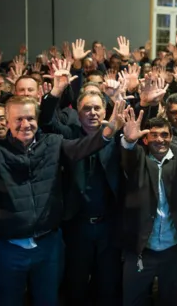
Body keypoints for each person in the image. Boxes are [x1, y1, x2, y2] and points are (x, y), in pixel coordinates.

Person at [0, 95, 124, 306]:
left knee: (48, 300)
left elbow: (81, 147)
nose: (25, 124)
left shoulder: (52, 143)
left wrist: (110, 129)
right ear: (8, 122)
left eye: (30, 118)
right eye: (18, 119)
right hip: (7, 249)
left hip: (47, 246)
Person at [38, 63, 126, 306]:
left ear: (105, 110)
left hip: (109, 224)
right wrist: (56, 91)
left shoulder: (116, 135)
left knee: (107, 285)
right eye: (86, 108)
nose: (93, 113)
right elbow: (45, 121)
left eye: (98, 108)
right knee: (75, 285)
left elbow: (133, 125)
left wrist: (120, 98)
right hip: (76, 225)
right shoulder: (68, 134)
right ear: (77, 111)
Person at [120, 101, 177, 306]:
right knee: (133, 300)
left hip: (173, 250)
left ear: (171, 137)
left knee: (171, 300)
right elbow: (128, 157)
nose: (160, 140)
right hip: (141, 249)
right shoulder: (138, 159)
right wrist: (128, 141)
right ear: (146, 138)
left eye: (165, 135)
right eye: (154, 135)